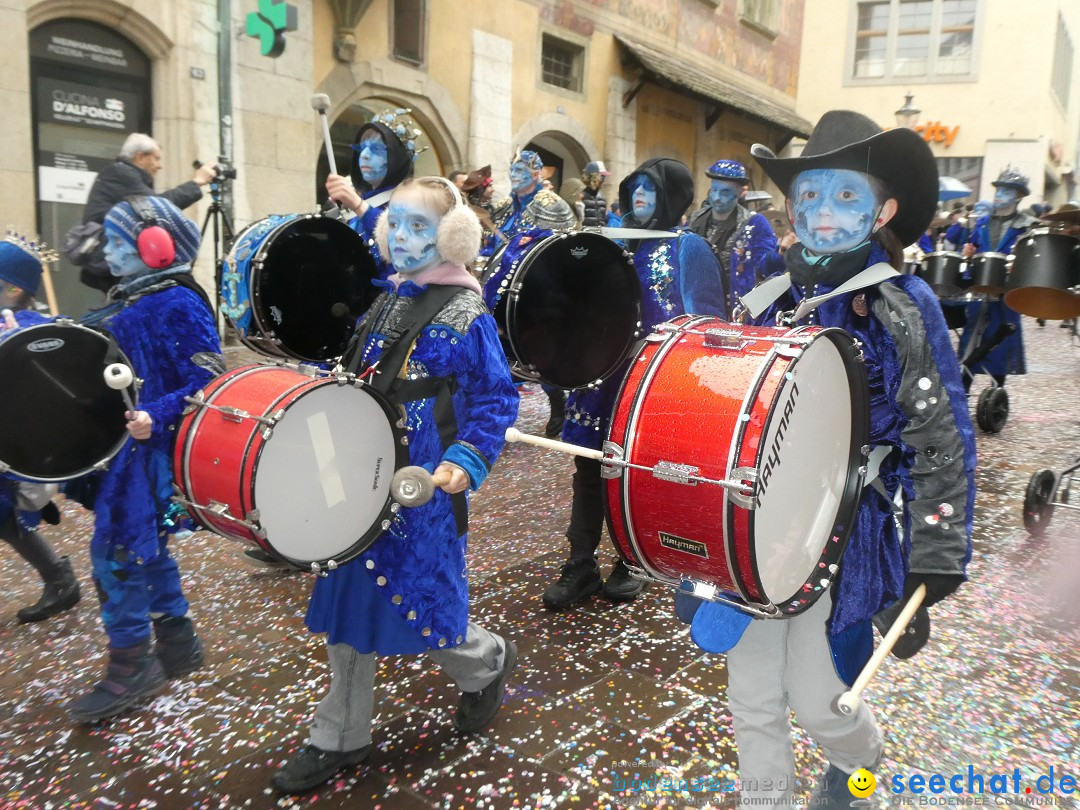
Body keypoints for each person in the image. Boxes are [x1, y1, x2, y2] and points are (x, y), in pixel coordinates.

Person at [684, 110, 976, 809]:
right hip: (753, 536)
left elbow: (940, 435)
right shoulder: (768, 296)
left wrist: (934, 550)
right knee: (752, 701)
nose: (821, 212)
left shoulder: (904, 303)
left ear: (885, 209)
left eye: (845, 195)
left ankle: (861, 769)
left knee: (823, 707)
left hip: (843, 534)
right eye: (809, 195)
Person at [272, 177, 519, 795]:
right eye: (398, 225)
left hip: (421, 490)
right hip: (362, 477)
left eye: (420, 228)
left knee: (423, 605)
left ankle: (486, 663)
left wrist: (464, 462)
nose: (405, 239)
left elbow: (494, 400)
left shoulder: (468, 314)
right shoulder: (387, 299)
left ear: (452, 238)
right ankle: (341, 732)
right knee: (352, 600)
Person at [543, 158, 726, 610]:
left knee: (632, 473)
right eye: (636, 187)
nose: (640, 195)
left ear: (671, 196)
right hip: (599, 373)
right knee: (587, 467)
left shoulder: (688, 247)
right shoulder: (611, 239)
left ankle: (632, 560)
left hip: (649, 379)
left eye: (651, 188)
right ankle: (580, 563)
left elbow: (706, 319)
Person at [69, 197, 223, 724]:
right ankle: (177, 642)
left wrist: (155, 414)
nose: (108, 252)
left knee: (114, 551)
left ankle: (132, 662)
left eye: (118, 242)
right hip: (130, 448)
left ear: (155, 247)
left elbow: (207, 378)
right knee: (147, 546)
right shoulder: (135, 297)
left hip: (150, 452)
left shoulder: (177, 302)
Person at [0, 233, 79, 623]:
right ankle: (58, 577)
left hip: (13, 450)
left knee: (4, 518)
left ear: (14, 289)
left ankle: (58, 577)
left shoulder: (29, 329)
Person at [482, 189, 578, 437]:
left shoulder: (564, 250)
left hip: (550, 318)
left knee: (547, 358)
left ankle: (559, 403)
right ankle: (495, 416)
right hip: (519, 316)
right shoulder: (517, 244)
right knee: (498, 363)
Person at [79, 133, 218, 293]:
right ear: (140, 157)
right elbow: (155, 210)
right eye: (156, 158)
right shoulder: (120, 174)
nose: (160, 166)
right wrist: (196, 182)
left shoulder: (121, 173)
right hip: (112, 260)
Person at [958, 168, 1035, 391]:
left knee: (1000, 341)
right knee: (971, 340)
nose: (999, 194)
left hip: (1007, 293)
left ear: (1019, 196)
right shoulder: (981, 223)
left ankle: (996, 393)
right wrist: (968, 253)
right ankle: (963, 391)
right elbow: (971, 250)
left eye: (1006, 191)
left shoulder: (1027, 226)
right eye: (998, 189)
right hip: (980, 290)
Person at [324, 110, 422, 281]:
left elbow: (404, 247)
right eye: (362, 148)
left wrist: (359, 206)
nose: (364, 155)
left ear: (396, 157)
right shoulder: (364, 200)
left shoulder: (413, 201)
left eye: (376, 149)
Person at [686, 160, 783, 318]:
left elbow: (766, 269)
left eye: (725, 192)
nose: (717, 197)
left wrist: (780, 255)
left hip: (734, 313)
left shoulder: (755, 224)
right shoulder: (696, 218)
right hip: (694, 306)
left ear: (739, 193)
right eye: (714, 190)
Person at [581, 160, 610, 227]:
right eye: (602, 176)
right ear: (594, 177)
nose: (603, 180)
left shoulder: (601, 195)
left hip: (600, 234)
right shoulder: (580, 194)